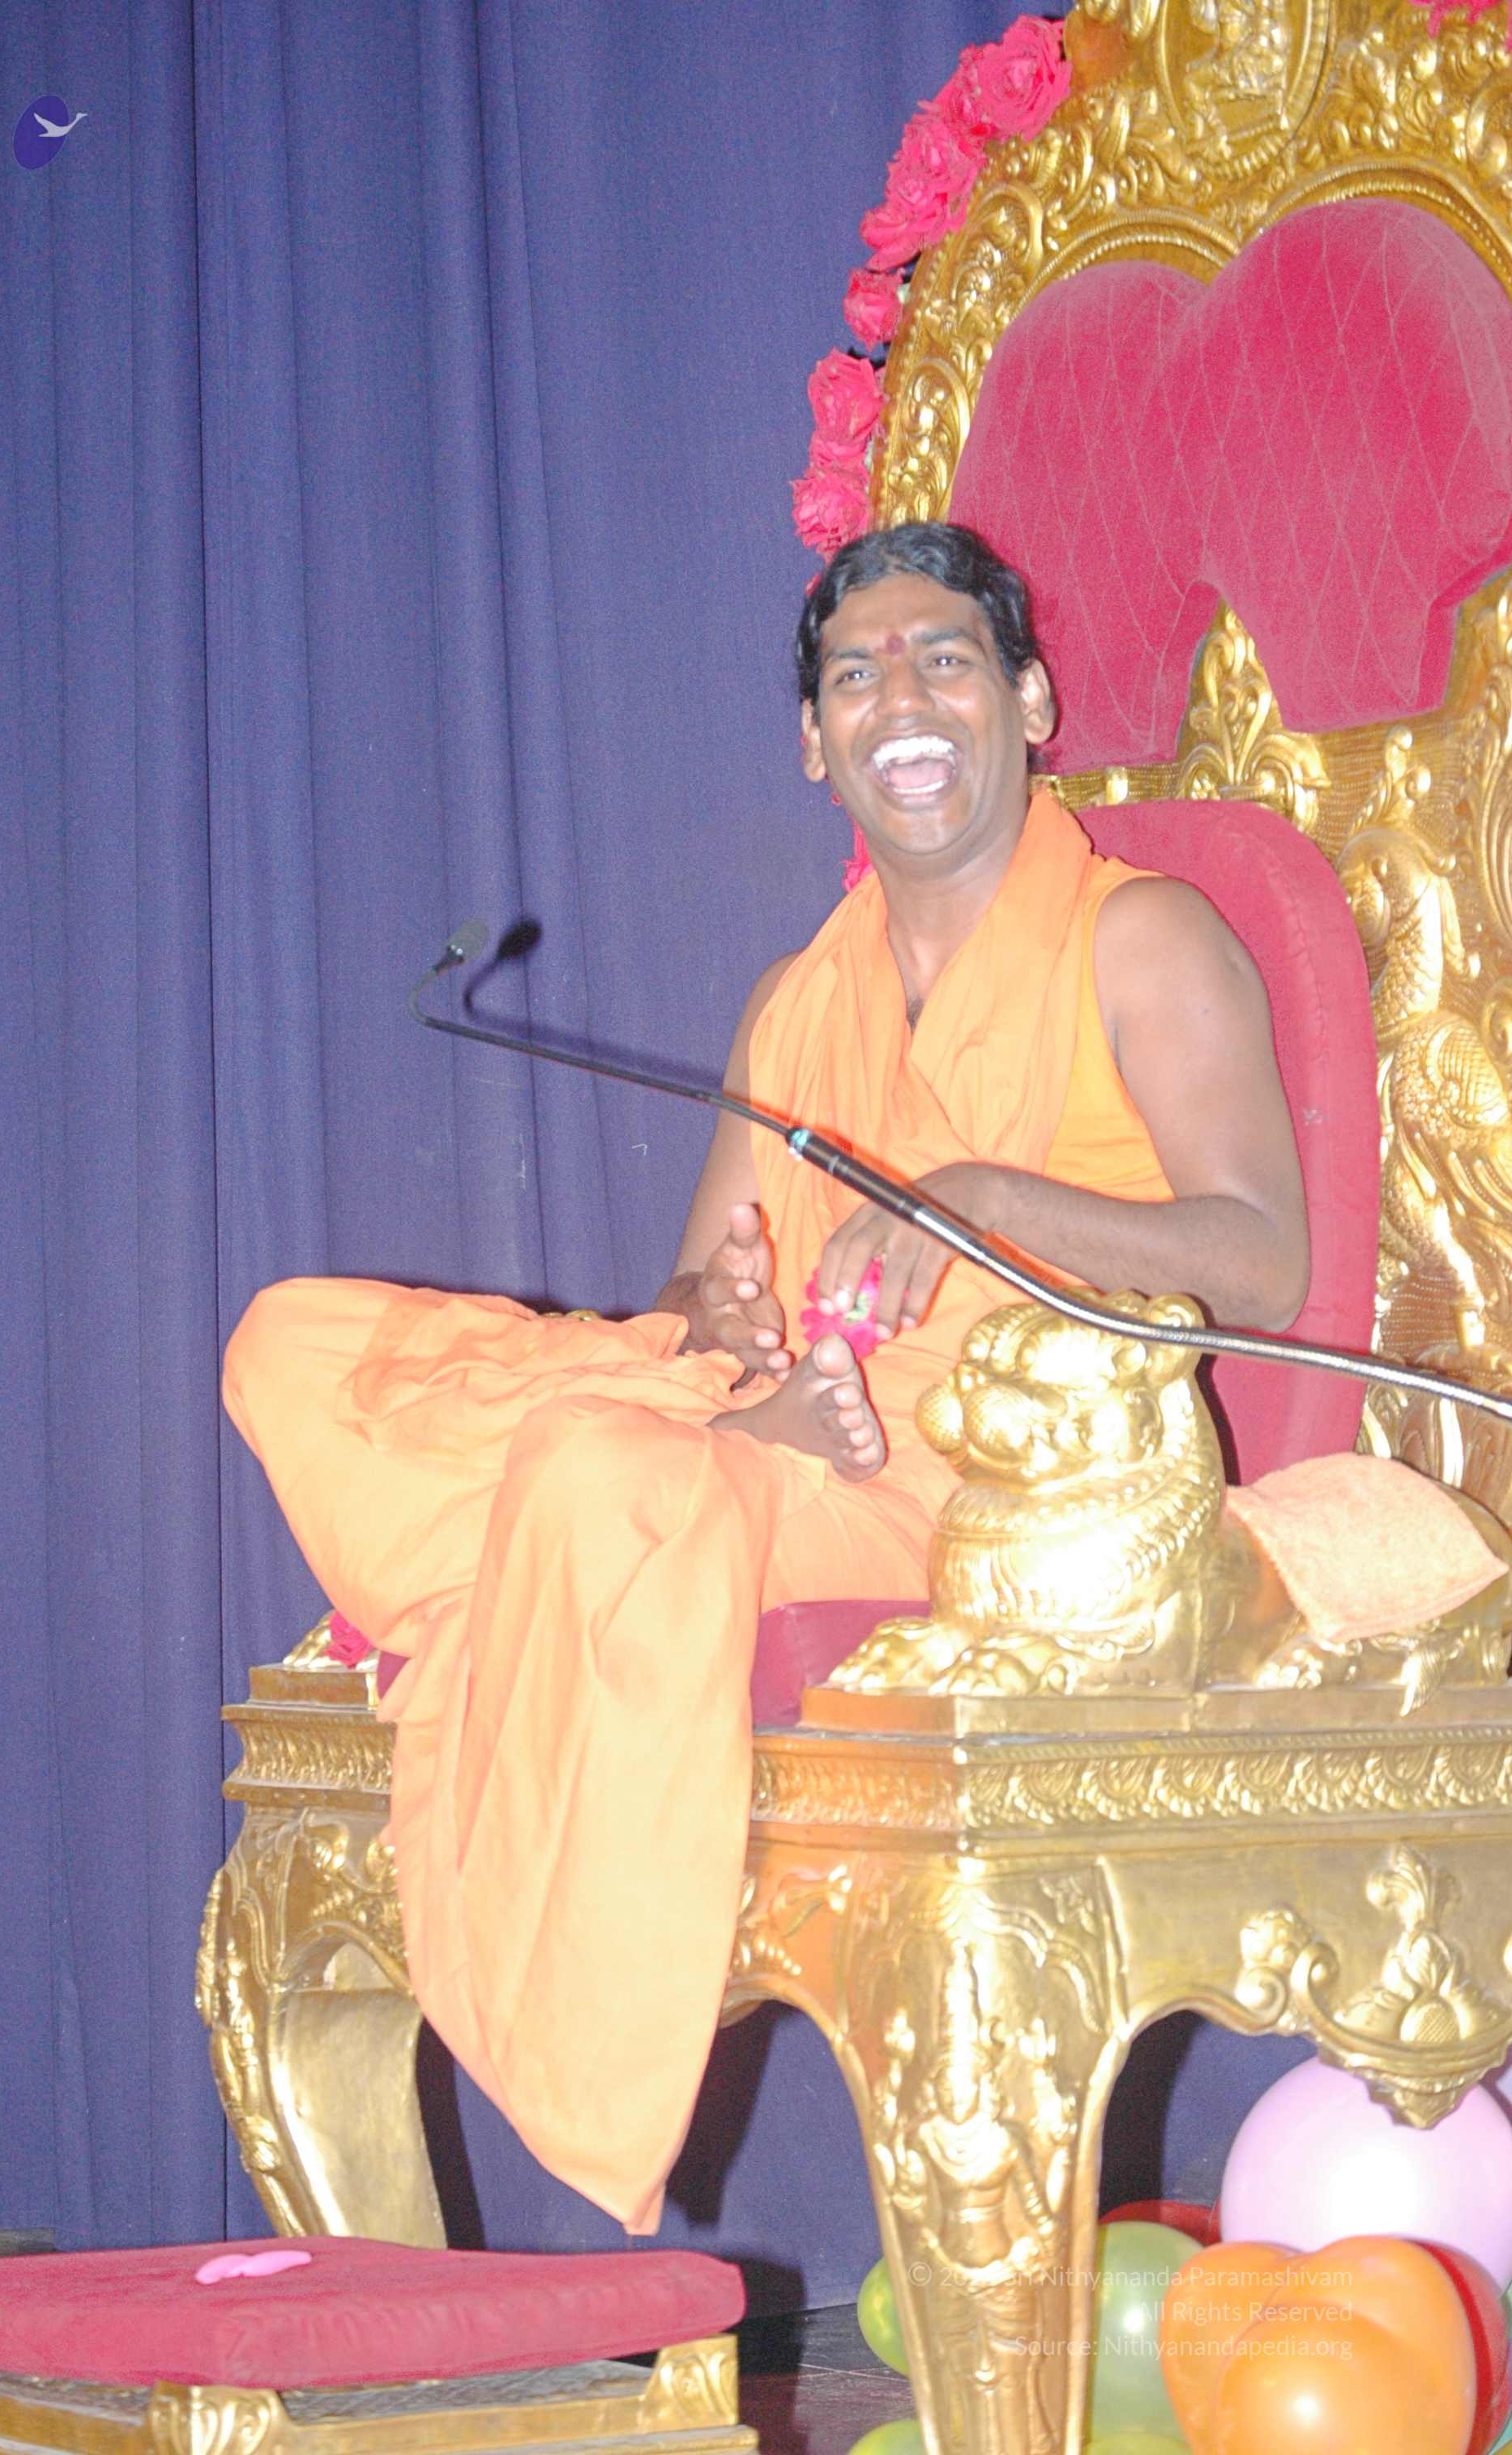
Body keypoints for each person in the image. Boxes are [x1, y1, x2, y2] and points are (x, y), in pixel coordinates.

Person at [222, 522, 1308, 2233]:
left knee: (592, 1480)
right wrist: (725, 1331)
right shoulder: (795, 999)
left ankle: (536, 1677)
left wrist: (980, 1202)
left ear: (1029, 702)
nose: (902, 700)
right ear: (814, 739)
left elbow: (1262, 1261)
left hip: (1006, 1488)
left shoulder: (1139, 938)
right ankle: (568, 1557)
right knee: (295, 1341)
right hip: (779, 1434)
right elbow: (693, 1294)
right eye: (855, 674)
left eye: (945, 659)